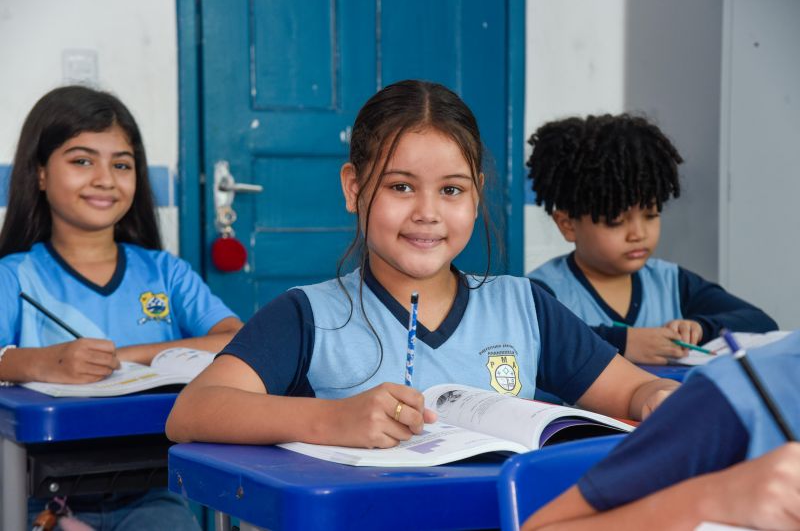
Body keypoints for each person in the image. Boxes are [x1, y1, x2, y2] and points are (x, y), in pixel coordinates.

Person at [166, 80, 677, 450]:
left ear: (476, 194)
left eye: (451, 190)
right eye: (400, 186)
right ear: (353, 188)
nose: (427, 212)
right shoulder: (307, 316)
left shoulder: (523, 306)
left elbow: (632, 390)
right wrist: (332, 420)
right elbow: (192, 411)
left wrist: (657, 395)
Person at [0, 85, 243, 530]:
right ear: (39, 173)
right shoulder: (15, 276)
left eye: (122, 164)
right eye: (82, 161)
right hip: (38, 499)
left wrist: (124, 358)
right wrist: (44, 363)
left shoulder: (165, 272)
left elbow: (236, 340)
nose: (105, 179)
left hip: (152, 491)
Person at [526, 114, 777, 365]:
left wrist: (701, 327)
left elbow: (760, 322)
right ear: (568, 225)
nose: (639, 234)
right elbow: (535, 340)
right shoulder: (540, 291)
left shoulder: (671, 282)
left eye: (651, 215)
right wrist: (622, 342)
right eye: (616, 221)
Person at [522, 331, 800, 531]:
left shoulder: (672, 280)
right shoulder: (734, 397)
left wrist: (699, 327)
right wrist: (717, 499)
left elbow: (750, 318)